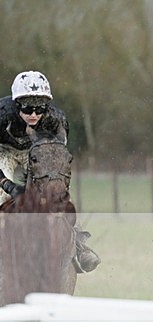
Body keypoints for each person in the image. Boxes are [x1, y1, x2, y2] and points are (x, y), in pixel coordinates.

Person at [0, 70, 100, 273]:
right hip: (4, 151)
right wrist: (8, 185)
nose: (34, 114)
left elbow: (58, 161)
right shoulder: (2, 115)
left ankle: (78, 244)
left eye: (40, 108)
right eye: (28, 109)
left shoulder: (57, 120)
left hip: (37, 151)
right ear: (17, 104)